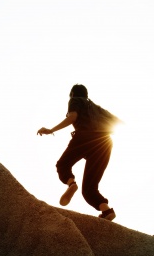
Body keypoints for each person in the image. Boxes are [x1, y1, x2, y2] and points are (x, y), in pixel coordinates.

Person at [37, 84, 118, 221]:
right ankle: (107, 211)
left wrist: (51, 130)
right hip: (105, 143)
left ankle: (71, 183)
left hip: (85, 137)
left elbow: (72, 117)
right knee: (89, 189)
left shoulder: (75, 100)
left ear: (73, 94)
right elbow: (117, 122)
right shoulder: (97, 108)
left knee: (63, 165)